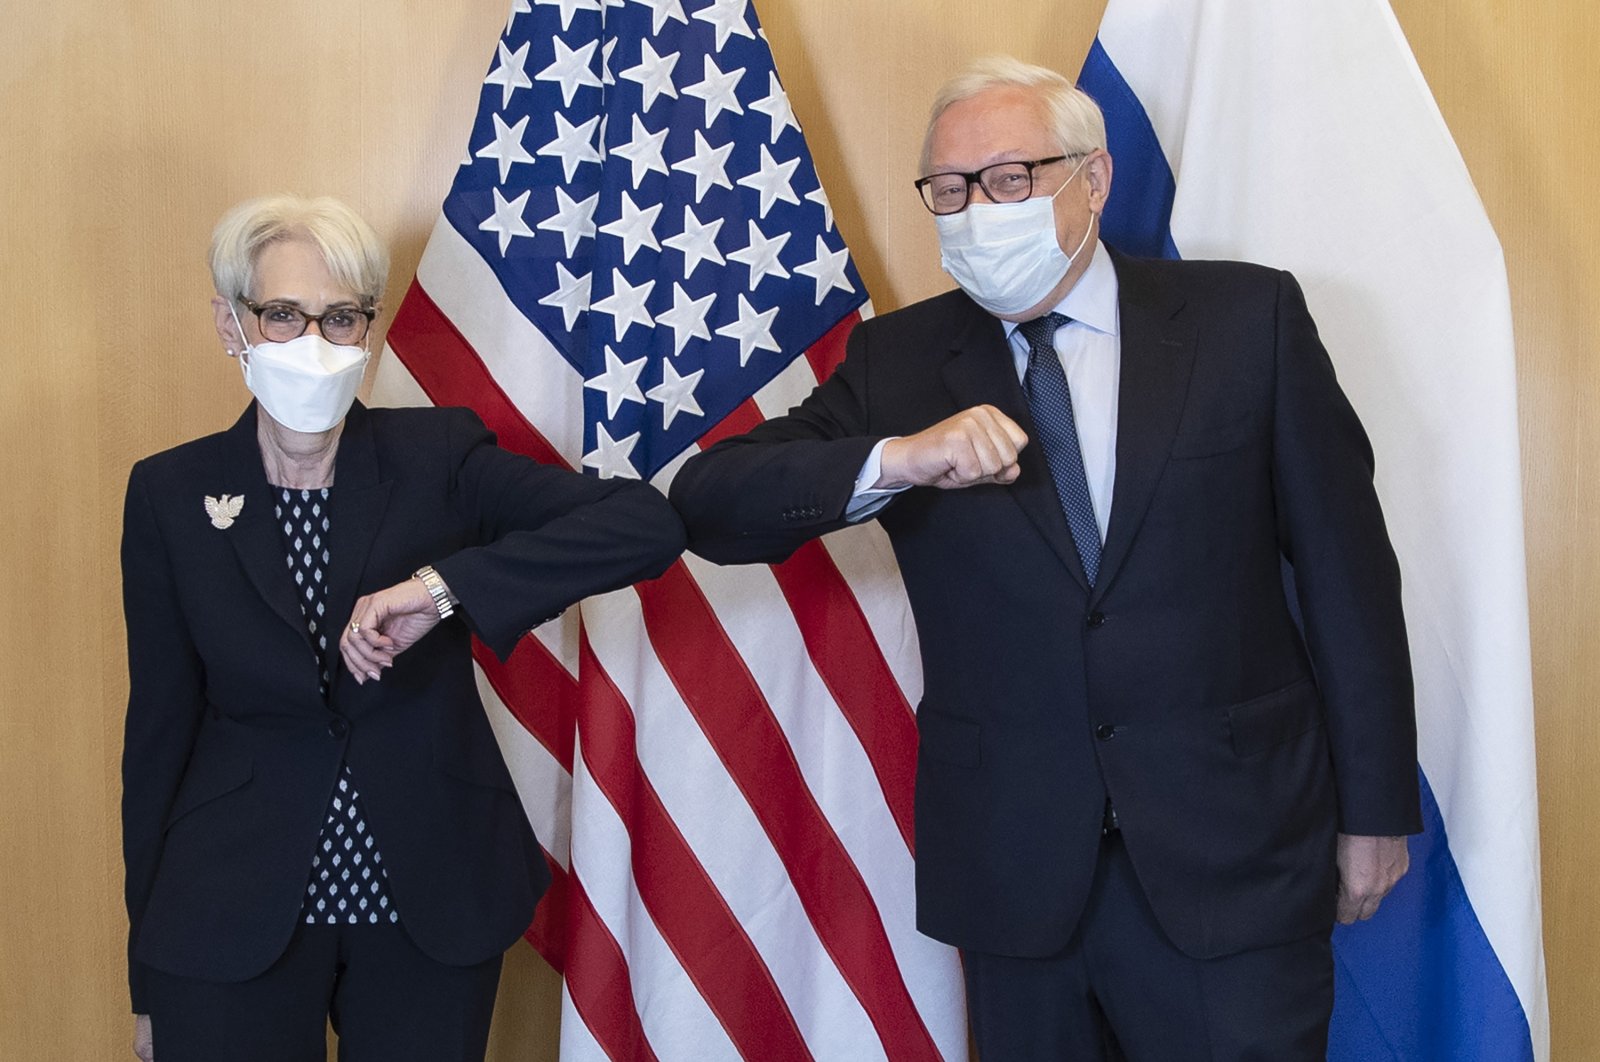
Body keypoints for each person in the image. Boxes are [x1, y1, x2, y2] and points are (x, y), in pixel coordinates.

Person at [668, 57, 1420, 1060]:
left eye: (1009, 178)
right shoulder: (898, 365)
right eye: (950, 188)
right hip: (1018, 877)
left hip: (1233, 856)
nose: (977, 208)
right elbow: (711, 504)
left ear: (1093, 179)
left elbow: (1347, 578)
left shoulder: (1248, 322)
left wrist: (1373, 810)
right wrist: (900, 459)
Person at [121, 194, 685, 1061]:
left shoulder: (439, 457)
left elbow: (641, 524)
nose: (313, 341)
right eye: (282, 315)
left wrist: (442, 589)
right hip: (230, 904)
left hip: (432, 892)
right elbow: (159, 730)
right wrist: (146, 975)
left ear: (367, 331)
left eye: (339, 317)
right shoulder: (169, 493)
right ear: (232, 325)